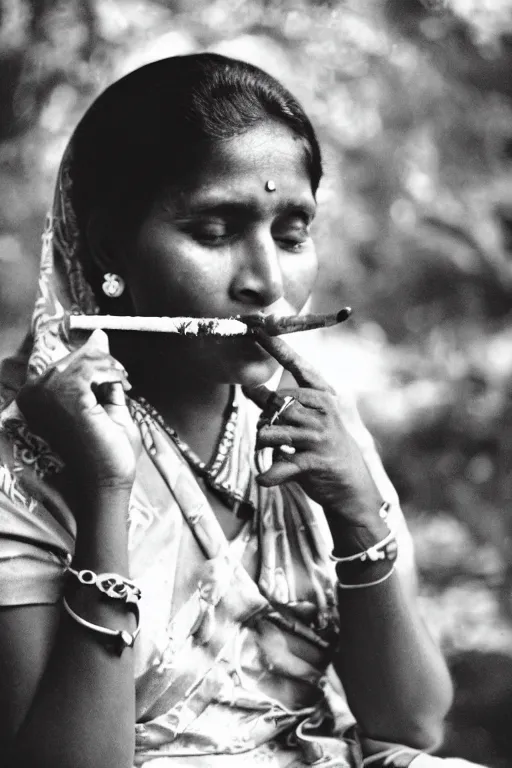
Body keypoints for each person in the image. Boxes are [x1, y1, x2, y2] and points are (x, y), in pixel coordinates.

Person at [0, 53, 454, 768]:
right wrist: (106, 493)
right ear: (110, 245)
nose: (267, 281)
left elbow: (415, 722)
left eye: (292, 232)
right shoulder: (22, 454)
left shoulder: (316, 425)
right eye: (215, 231)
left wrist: (359, 513)